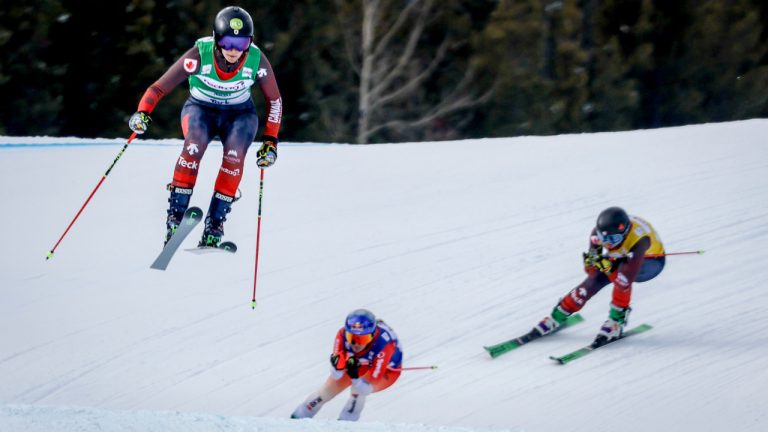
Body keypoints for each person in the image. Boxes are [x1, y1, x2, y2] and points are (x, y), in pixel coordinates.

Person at [128, 6, 282, 247]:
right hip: (200, 110)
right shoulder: (199, 55)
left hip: (239, 114)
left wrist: (270, 142)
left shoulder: (256, 59)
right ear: (216, 39)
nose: (233, 50)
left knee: (233, 158)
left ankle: (215, 224)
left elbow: (274, 101)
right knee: (194, 145)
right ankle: (175, 218)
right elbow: (157, 89)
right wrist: (142, 113)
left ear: (249, 43)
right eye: (228, 42)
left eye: (241, 44)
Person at [534, 207, 666, 347]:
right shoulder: (596, 235)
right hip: (624, 256)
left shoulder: (640, 242)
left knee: (620, 274)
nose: (608, 243)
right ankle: (557, 315)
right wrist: (593, 262)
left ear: (625, 233)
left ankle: (616, 323)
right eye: (604, 239)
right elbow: (590, 271)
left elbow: (624, 282)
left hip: (650, 263)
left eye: (613, 239)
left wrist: (607, 267)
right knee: (594, 280)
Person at [291, 309, 403, 421]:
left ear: (373, 335)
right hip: (360, 362)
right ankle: (299, 416)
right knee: (327, 390)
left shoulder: (384, 346)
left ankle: (346, 424)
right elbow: (336, 376)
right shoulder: (342, 334)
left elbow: (366, 389)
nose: (356, 344)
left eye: (363, 339)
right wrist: (337, 368)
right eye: (352, 338)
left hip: (387, 371)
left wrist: (355, 378)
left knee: (358, 391)